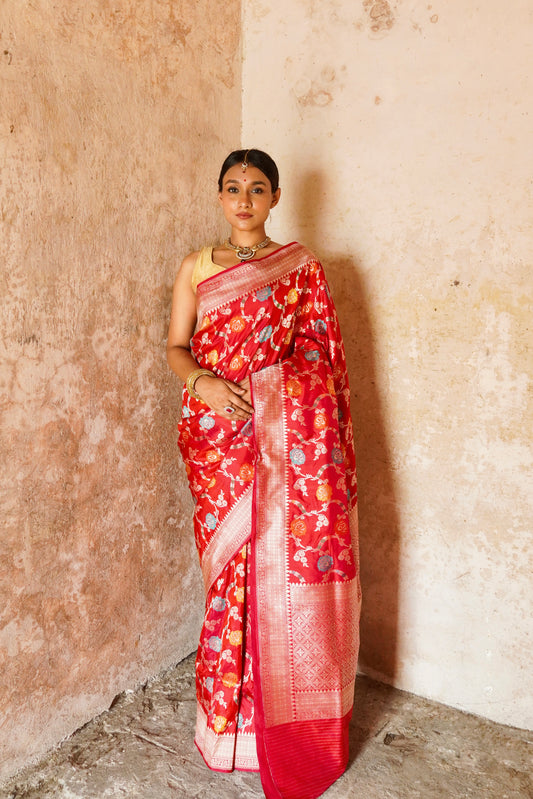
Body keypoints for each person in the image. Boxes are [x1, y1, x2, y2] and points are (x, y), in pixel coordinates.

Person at [167, 149, 361, 799]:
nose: (243, 198)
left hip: (281, 441)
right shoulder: (196, 266)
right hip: (214, 440)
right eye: (232, 187)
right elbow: (175, 346)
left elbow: (319, 359)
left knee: (272, 572)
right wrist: (204, 383)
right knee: (228, 579)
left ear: (274, 196)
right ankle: (223, 725)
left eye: (256, 188)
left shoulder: (300, 270)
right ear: (218, 195)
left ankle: (269, 727)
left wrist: (273, 393)